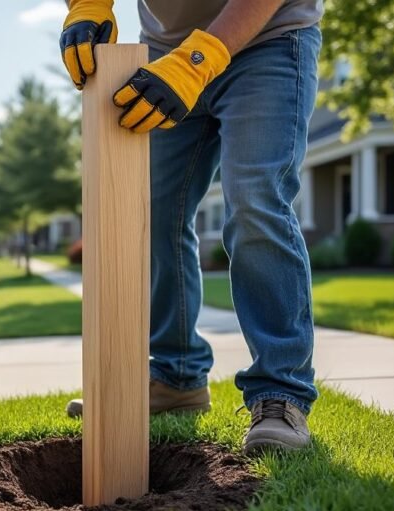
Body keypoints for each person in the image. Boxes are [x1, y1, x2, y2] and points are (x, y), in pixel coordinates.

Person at [61, 0, 323, 455]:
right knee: (153, 212)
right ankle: (177, 377)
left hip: (267, 41)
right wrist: (87, 4)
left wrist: (199, 59)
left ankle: (281, 393)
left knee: (253, 198)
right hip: (164, 57)